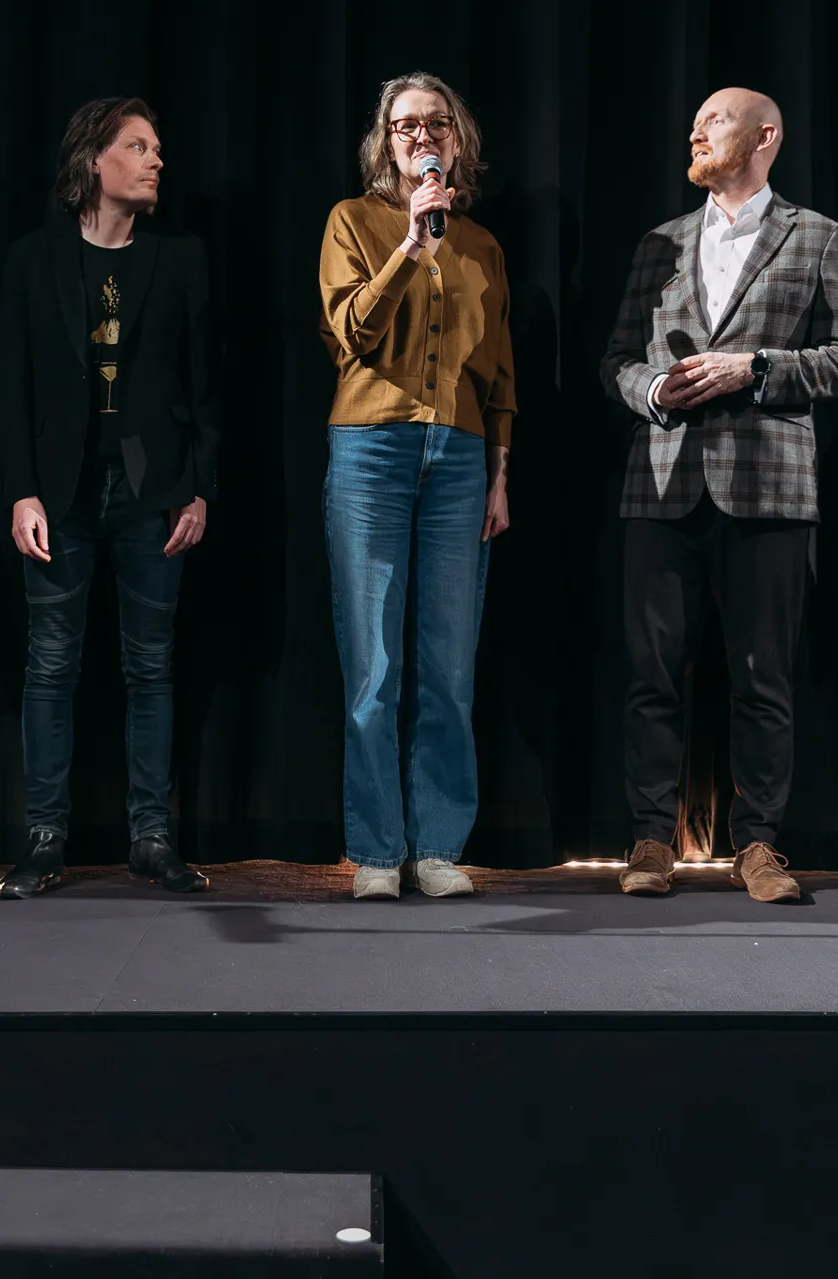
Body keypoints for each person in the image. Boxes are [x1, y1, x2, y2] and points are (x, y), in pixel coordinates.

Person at [600, 88, 838, 899]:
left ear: (764, 136)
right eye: (696, 122)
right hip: (662, 485)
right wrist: (653, 390)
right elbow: (618, 359)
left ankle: (757, 845)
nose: (696, 130)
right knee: (652, 676)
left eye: (714, 120)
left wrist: (753, 367)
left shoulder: (817, 236)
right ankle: (651, 841)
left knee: (762, 679)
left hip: (768, 490)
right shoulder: (660, 242)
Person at [0, 97, 219, 898]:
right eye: (138, 147)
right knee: (50, 663)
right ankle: (44, 837)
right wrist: (21, 491)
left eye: (157, 148)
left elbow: (204, 386)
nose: (156, 161)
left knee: (150, 666)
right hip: (62, 491)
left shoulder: (179, 258)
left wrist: (198, 488)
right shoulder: (33, 260)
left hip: (153, 492)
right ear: (95, 160)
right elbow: (9, 390)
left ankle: (151, 837)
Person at [317, 72, 515, 900]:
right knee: (374, 661)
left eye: (437, 123)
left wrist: (500, 471)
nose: (422, 136)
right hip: (371, 446)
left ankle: (435, 845)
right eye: (406, 125)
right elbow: (351, 333)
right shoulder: (354, 222)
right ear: (385, 142)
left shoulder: (483, 246)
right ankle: (375, 850)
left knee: (448, 662)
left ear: (457, 140)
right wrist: (409, 247)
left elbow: (500, 372)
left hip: (462, 456)